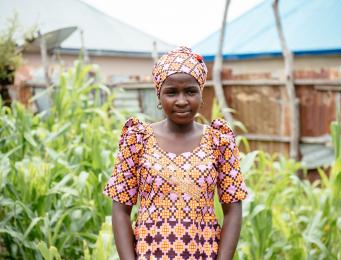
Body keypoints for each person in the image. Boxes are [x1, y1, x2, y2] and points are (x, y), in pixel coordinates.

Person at [103, 46, 248, 260]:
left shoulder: (219, 141)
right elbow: (121, 210)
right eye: (171, 92)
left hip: (203, 254)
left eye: (190, 91)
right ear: (159, 97)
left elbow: (233, 210)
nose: (181, 101)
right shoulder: (137, 140)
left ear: (201, 94)